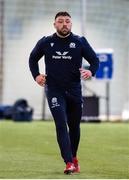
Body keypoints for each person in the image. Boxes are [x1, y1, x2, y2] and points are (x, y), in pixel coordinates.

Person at [29, 11, 99, 174]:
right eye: (60, 21)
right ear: (55, 24)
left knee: (73, 127)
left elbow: (94, 61)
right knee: (61, 124)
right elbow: (32, 59)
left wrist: (91, 72)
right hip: (54, 90)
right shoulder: (46, 42)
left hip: (74, 90)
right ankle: (68, 162)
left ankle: (74, 157)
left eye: (67, 21)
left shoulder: (80, 42)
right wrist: (36, 76)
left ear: (71, 24)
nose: (64, 24)